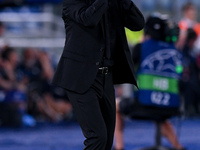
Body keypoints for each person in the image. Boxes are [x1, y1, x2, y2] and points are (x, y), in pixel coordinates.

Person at [52, 0, 145, 149]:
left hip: (106, 77)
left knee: (107, 139)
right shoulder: (73, 1)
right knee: (97, 137)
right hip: (79, 77)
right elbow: (88, 19)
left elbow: (138, 24)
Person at [114, 14, 186, 150]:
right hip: (172, 107)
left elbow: (126, 70)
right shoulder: (175, 51)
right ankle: (178, 147)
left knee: (115, 106)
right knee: (161, 115)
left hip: (145, 105)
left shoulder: (141, 48)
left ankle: (119, 147)